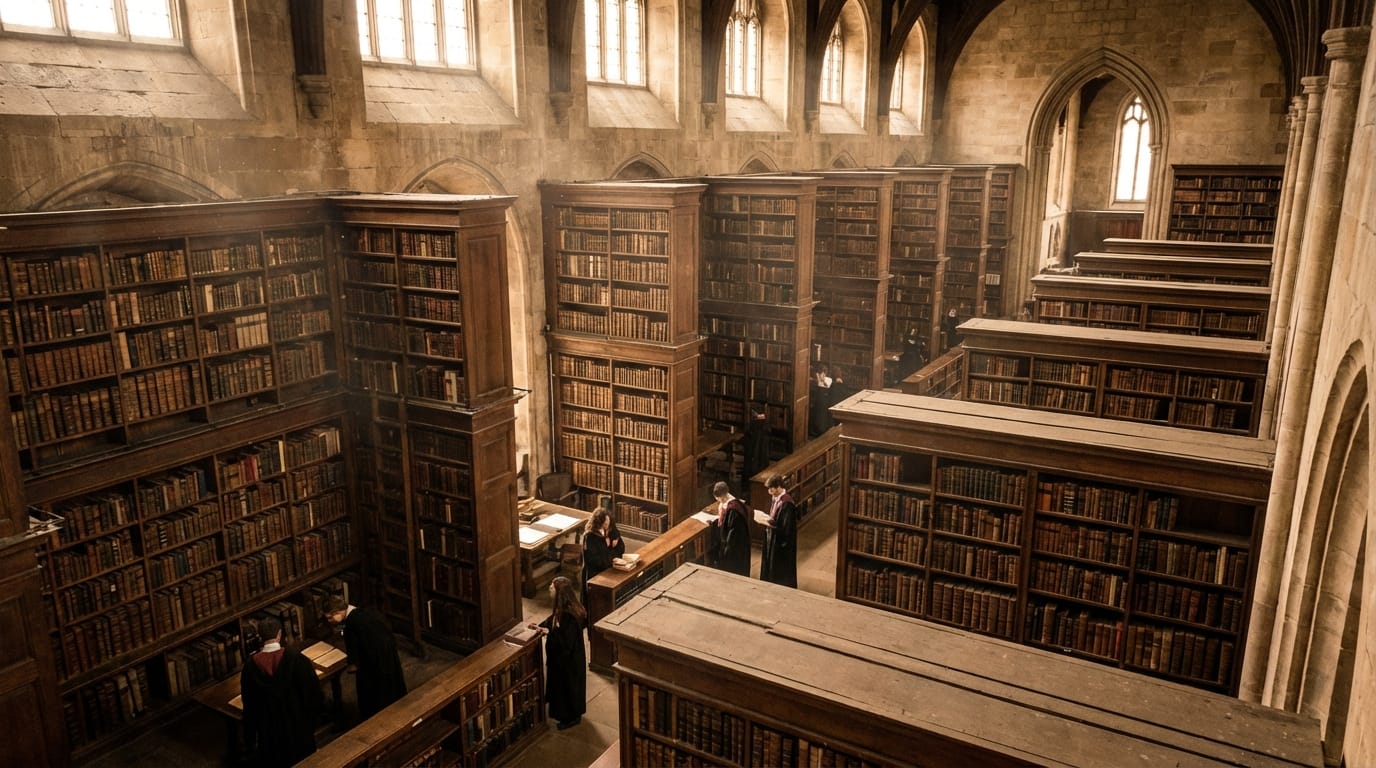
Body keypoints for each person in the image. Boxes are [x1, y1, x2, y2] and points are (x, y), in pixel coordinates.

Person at [240, 616, 324, 768]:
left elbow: (249, 705)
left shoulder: (250, 667)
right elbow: (312, 694)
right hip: (298, 726)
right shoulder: (297, 659)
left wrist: (250, 737)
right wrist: (312, 719)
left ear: (259, 636)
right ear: (279, 634)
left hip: (269, 731)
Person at [324, 596, 407, 720]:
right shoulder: (365, 612)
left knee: (375, 698)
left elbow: (353, 660)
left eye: (330, 617)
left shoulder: (351, 625)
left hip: (373, 665)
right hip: (388, 655)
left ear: (339, 612)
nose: (330, 621)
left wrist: (351, 665)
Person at [529, 576, 586, 730]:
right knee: (561, 687)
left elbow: (565, 641)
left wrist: (550, 633)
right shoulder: (563, 610)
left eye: (552, 587)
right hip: (564, 661)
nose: (549, 588)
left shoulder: (569, 615)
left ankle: (571, 717)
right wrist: (541, 626)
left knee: (568, 688)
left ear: (560, 592)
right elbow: (552, 621)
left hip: (568, 662)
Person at [759, 475, 798, 588]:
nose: (769, 491)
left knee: (778, 570)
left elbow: (787, 528)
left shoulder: (787, 503)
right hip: (773, 537)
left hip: (780, 542)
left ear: (779, 487)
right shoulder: (777, 499)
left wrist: (771, 525)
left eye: (771, 488)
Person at [711, 481, 751, 577]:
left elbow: (733, 532)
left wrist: (726, 547)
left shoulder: (733, 510)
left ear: (723, 496)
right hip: (732, 540)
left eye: (718, 498)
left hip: (734, 545)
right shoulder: (732, 503)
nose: (718, 501)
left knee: (731, 568)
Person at [582, 506, 624, 591]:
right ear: (598, 524)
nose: (607, 527)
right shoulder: (590, 536)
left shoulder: (610, 528)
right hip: (596, 574)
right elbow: (594, 560)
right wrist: (612, 556)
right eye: (605, 524)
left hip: (611, 568)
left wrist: (614, 546)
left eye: (608, 524)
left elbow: (621, 548)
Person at [741, 403, 770, 489]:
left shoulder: (755, 426)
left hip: (754, 452)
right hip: (758, 453)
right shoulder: (764, 425)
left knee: (752, 464)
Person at [807, 365, 834, 437]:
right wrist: (818, 379)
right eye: (821, 373)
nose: (823, 375)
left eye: (824, 373)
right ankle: (815, 430)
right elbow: (816, 386)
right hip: (816, 400)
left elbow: (826, 386)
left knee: (822, 415)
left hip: (824, 400)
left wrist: (822, 380)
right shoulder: (815, 380)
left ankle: (822, 429)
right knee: (815, 414)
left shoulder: (829, 379)